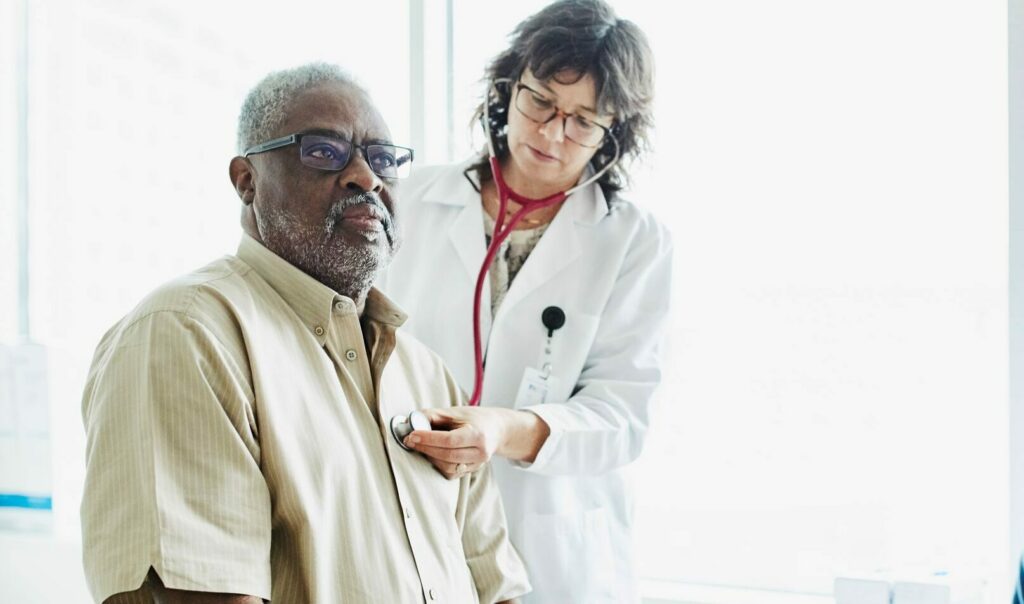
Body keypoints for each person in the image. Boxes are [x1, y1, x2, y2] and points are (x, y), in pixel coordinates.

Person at [80, 63, 530, 604]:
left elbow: (494, 586)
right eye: (323, 151)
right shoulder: (190, 335)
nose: (366, 177)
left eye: (384, 159)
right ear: (247, 181)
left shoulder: (427, 373)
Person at [379, 1, 671, 602]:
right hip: (408, 516)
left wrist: (504, 430)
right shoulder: (411, 202)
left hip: (553, 547)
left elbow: (621, 417)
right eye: (540, 101)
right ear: (507, 86)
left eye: (584, 121)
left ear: (613, 133)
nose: (552, 132)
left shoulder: (633, 242)